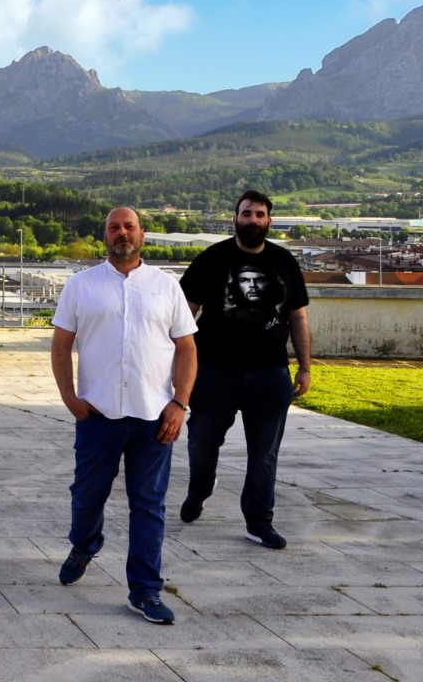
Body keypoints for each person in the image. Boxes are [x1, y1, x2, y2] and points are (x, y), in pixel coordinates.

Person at [50, 207, 197, 625]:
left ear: (142, 235)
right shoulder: (81, 286)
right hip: (98, 414)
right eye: (114, 227)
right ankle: (85, 544)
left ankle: (145, 590)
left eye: (129, 226)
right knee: (87, 495)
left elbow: (186, 348)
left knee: (149, 504)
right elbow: (61, 345)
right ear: (105, 236)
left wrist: (180, 403)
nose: (122, 233)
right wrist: (69, 397)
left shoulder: (166, 287)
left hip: (155, 417)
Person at [178, 189, 311, 549]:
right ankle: (200, 489)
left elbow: (298, 316)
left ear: (269, 220)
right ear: (235, 218)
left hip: (270, 375)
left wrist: (304, 367)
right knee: (202, 445)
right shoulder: (211, 259)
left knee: (264, 452)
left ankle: (259, 521)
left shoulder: (284, 262)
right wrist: (172, 365)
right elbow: (182, 316)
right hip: (214, 373)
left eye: (260, 215)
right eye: (247, 213)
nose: (253, 220)